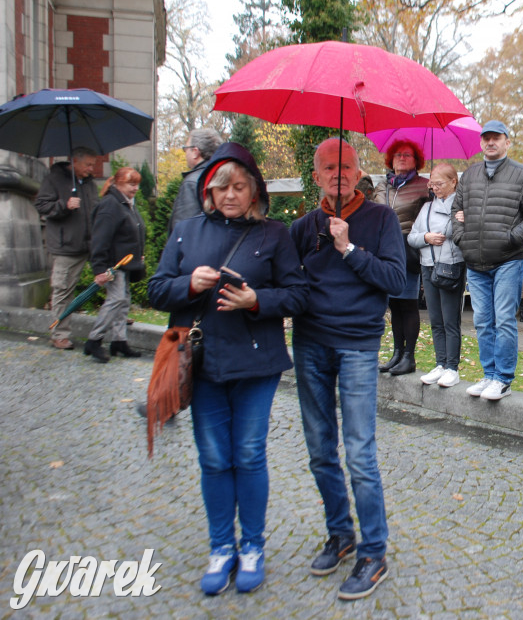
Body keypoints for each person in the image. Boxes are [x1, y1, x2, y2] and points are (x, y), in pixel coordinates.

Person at [148, 142, 309, 595]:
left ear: (255, 191)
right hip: (203, 365)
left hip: (256, 363)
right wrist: (186, 284)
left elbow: (298, 294)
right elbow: (156, 290)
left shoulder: (273, 234)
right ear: (209, 191)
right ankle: (222, 547)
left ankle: (252, 547)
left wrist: (256, 300)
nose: (231, 195)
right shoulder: (186, 231)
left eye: (240, 187)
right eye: (223, 187)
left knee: (249, 454)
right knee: (215, 458)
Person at [290, 137, 405, 601]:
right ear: (315, 176)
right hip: (310, 344)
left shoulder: (381, 220)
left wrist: (349, 249)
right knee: (320, 449)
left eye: (347, 167)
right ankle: (341, 535)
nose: (339, 173)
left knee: (359, 453)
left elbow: (397, 281)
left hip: (357, 345)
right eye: (328, 167)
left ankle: (374, 551)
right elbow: (288, 281)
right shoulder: (301, 227)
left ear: (359, 174)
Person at [453, 120, 523, 401]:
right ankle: (489, 374)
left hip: (508, 259)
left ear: (507, 142)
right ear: (481, 143)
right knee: (482, 320)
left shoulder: (522, 175)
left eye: (497, 138)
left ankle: (503, 379)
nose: (491, 142)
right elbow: (455, 210)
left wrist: (512, 237)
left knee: (504, 319)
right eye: (486, 138)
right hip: (476, 261)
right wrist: (462, 238)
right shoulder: (469, 176)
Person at [34, 147, 100, 350]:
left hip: (88, 245)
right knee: (63, 291)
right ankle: (59, 334)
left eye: (93, 164)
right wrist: (64, 205)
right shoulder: (55, 178)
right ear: (74, 161)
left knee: (111, 277)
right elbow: (41, 205)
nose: (92, 169)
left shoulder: (89, 183)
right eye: (88, 164)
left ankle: (117, 321)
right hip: (65, 247)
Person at [375, 140, 431, 377]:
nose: (402, 158)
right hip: (383, 253)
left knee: (407, 304)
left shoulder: (423, 186)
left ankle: (409, 357)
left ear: (416, 160)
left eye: (407, 155)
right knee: (393, 304)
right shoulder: (381, 187)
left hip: (408, 252)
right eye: (397, 155)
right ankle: (397, 353)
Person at [408, 163, 465, 388]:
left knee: (451, 320)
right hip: (428, 264)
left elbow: (451, 231)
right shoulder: (426, 208)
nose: (434, 188)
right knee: (435, 321)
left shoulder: (461, 205)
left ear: (454, 182)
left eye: (439, 183)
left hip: (450, 265)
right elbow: (412, 238)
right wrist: (426, 237)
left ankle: (452, 367)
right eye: (432, 183)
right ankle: (440, 363)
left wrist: (439, 231)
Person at [83, 167, 147, 362]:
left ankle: (119, 342)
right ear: (118, 183)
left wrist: (138, 255)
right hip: (113, 265)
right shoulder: (111, 204)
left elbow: (132, 233)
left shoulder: (126, 203)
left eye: (137, 184)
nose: (135, 188)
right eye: (131, 184)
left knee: (124, 301)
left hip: (126, 264)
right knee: (116, 299)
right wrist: (100, 269)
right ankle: (94, 340)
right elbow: (100, 239)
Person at [169, 128, 223, 233]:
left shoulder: (192, 183)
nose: (185, 153)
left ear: (195, 152)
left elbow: (184, 231)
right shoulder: (224, 176)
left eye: (186, 149)